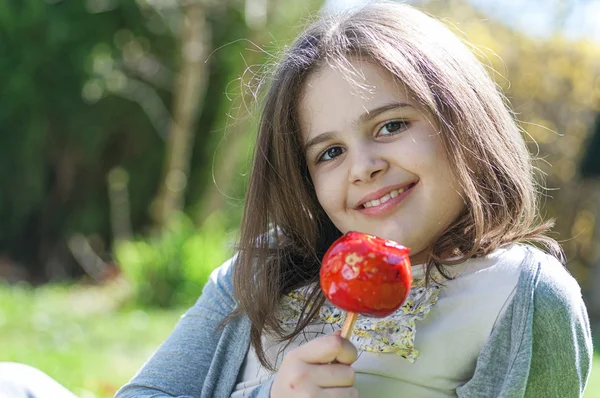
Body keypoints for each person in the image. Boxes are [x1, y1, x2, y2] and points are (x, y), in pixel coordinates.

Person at [112, 2, 593, 397]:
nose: (363, 167)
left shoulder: (521, 295)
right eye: (330, 152)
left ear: (462, 121)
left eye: (392, 125)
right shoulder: (263, 270)